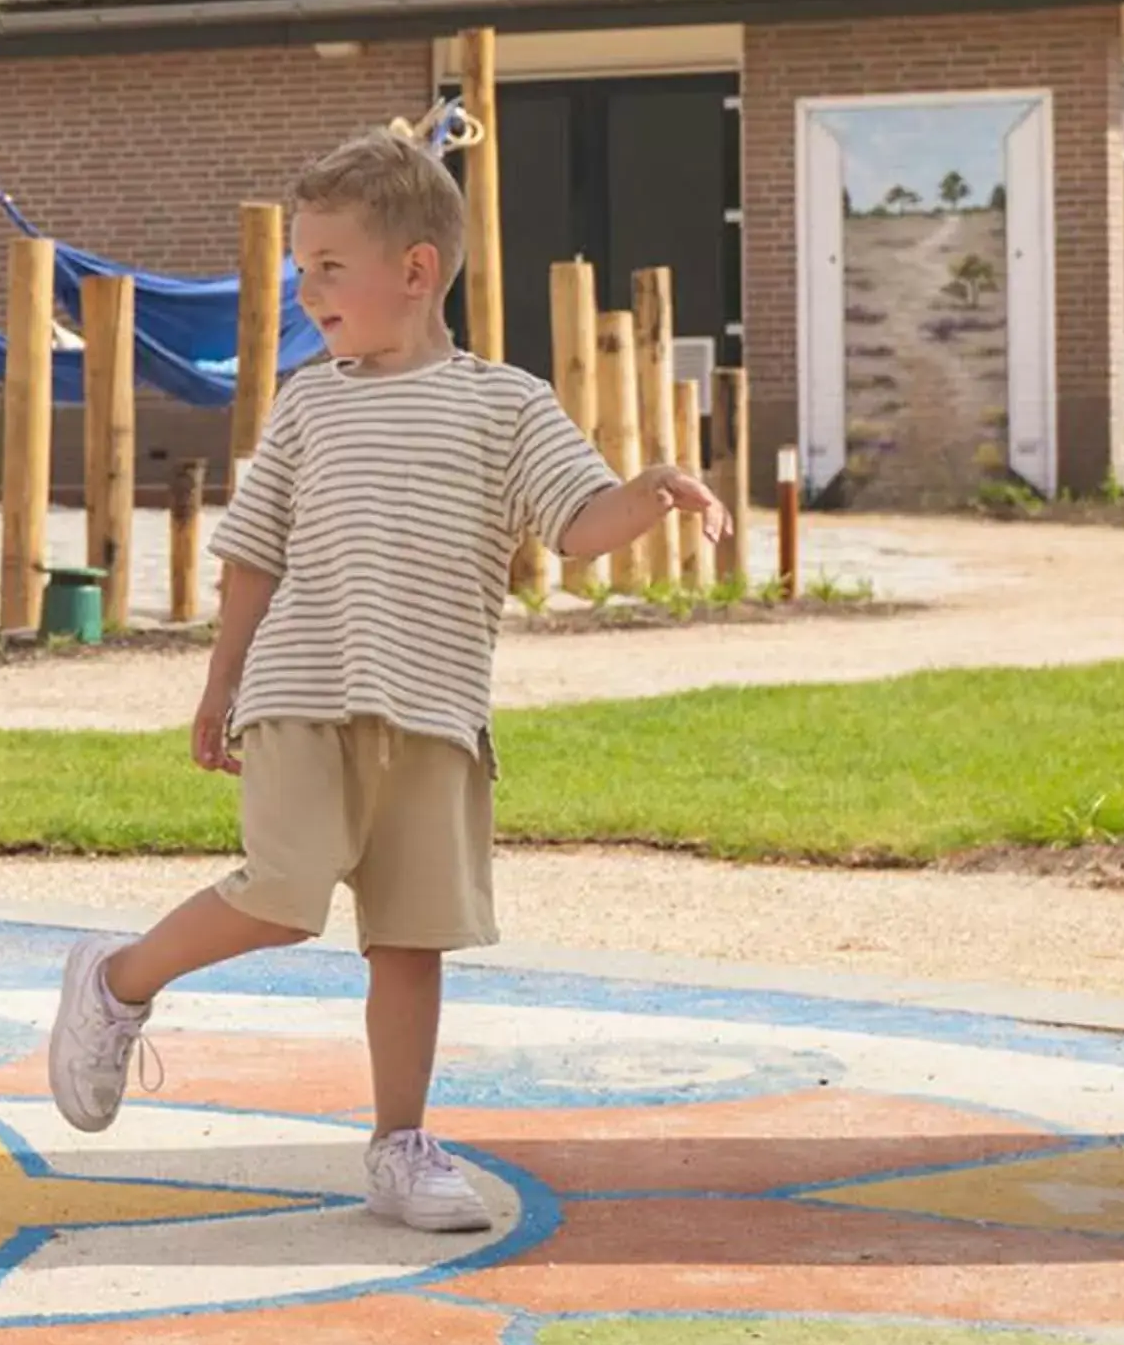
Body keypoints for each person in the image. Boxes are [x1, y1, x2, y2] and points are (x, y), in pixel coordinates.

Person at [46, 126, 726, 1230]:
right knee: (281, 891)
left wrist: (650, 489)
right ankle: (118, 981)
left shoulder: (506, 405)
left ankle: (400, 1147)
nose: (306, 289)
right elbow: (253, 556)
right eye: (302, 266)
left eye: (328, 266)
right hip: (302, 690)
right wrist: (219, 686)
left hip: (437, 711)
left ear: (414, 270)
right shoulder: (311, 405)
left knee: (411, 940)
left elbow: (581, 528)